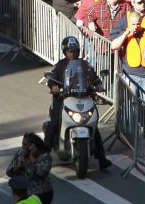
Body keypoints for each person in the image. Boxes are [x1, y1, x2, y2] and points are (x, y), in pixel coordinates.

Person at [45, 37, 111, 170]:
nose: (73, 53)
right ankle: (43, 157)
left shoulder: (85, 65)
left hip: (84, 98)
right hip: (63, 99)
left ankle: (102, 158)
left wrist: (98, 85)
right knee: (53, 124)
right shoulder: (60, 65)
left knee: (94, 126)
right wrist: (53, 86)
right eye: (70, 51)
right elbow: (51, 78)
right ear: (65, 51)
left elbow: (94, 77)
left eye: (75, 51)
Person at [6, 132, 54, 204]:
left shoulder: (45, 157)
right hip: (24, 193)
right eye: (22, 144)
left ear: (33, 146)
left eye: (25, 145)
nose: (22, 147)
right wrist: (18, 167)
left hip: (40, 194)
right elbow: (8, 172)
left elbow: (40, 173)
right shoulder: (20, 153)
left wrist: (32, 158)